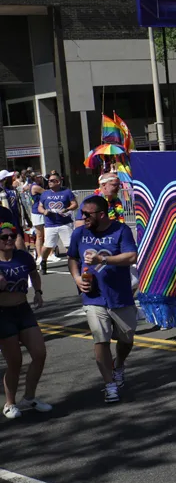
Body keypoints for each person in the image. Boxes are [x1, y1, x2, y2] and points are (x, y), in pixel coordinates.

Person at [68, 195, 139, 404]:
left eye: (87, 214)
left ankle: (119, 365)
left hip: (120, 295)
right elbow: (72, 258)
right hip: (93, 297)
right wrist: (77, 278)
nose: (83, 217)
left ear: (101, 214)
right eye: (82, 214)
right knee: (101, 339)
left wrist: (103, 259)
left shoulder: (121, 230)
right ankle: (109, 385)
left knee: (127, 339)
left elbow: (131, 256)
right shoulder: (79, 233)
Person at [0, 222, 50, 419]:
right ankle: (10, 404)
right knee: (15, 362)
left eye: (12, 236)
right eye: (4, 237)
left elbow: (33, 274)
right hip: (3, 315)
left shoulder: (23, 256)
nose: (9, 239)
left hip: (23, 310)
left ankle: (29, 397)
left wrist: (38, 292)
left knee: (40, 353)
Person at [37, 172, 77, 275]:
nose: (49, 182)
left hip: (65, 223)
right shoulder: (45, 194)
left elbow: (75, 204)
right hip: (50, 224)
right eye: (48, 181)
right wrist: (44, 211)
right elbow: (40, 207)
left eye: (51, 181)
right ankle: (43, 262)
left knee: (69, 246)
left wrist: (66, 209)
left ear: (58, 182)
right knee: (48, 246)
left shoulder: (67, 192)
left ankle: (72, 265)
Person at [28, 174, 45, 262]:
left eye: (41, 177)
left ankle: (49, 254)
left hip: (42, 212)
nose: (41, 179)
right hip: (37, 213)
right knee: (39, 235)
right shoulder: (35, 187)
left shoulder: (37, 186)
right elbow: (47, 193)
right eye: (38, 177)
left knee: (45, 235)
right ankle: (39, 256)